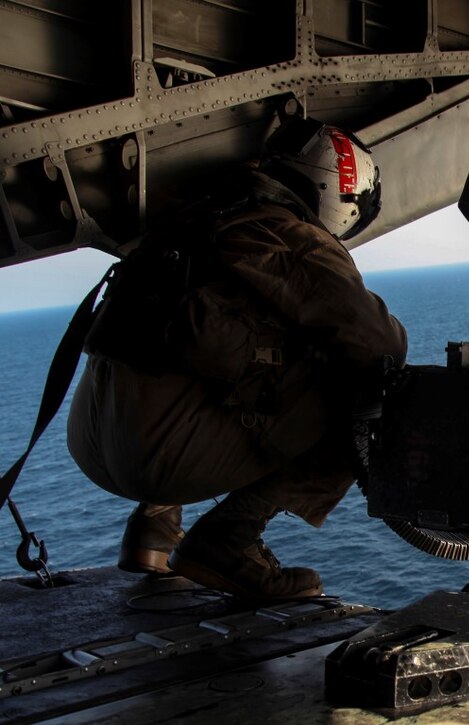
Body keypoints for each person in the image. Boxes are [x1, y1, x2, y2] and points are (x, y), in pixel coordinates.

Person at [67, 116, 407, 600]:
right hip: (159, 458)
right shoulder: (286, 234)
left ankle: (154, 529)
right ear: (341, 196)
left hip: (89, 442)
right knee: (371, 390)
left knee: (220, 354)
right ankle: (229, 541)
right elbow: (379, 343)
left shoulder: (192, 213)